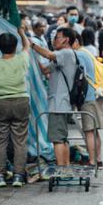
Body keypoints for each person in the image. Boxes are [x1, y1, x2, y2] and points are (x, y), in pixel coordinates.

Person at [31, 27, 79, 175]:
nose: (54, 41)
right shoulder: (66, 57)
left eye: (57, 38)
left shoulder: (64, 53)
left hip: (59, 103)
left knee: (57, 139)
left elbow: (48, 54)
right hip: (62, 103)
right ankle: (66, 169)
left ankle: (61, 170)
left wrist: (31, 44)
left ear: (66, 40)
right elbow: (46, 70)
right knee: (62, 138)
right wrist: (35, 58)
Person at [0, 27, 31, 188]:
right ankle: (19, 176)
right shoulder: (22, 59)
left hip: (0, 103)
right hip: (21, 101)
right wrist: (22, 33)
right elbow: (28, 47)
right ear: (15, 46)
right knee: (20, 140)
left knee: (0, 141)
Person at [75, 32, 103, 168]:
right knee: (94, 130)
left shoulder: (79, 54)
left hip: (87, 96)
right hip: (94, 94)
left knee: (89, 131)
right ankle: (98, 158)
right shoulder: (86, 52)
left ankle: (92, 162)